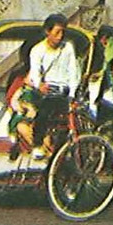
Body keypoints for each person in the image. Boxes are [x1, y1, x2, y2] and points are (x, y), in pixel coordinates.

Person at [18, 14, 83, 158]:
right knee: (44, 113)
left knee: (80, 117)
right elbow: (35, 72)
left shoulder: (68, 47)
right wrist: (39, 84)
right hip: (49, 90)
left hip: (67, 90)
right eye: (57, 32)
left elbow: (73, 71)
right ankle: (37, 144)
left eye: (62, 33)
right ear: (48, 32)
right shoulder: (38, 50)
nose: (60, 37)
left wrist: (72, 94)